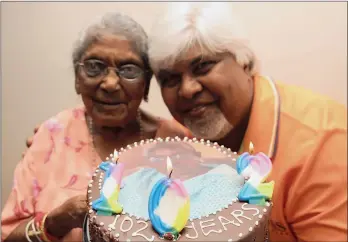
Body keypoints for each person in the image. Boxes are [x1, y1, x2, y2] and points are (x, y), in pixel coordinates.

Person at [147, 2, 347, 241]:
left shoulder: (321, 147)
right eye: (170, 79)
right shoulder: (185, 140)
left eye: (203, 66)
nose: (187, 90)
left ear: (244, 61)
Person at [1, 12, 190, 242]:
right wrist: (53, 223)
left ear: (146, 84)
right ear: (77, 79)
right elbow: (8, 235)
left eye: (129, 69)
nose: (110, 83)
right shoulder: (51, 136)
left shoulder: (177, 142)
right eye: (94, 66)